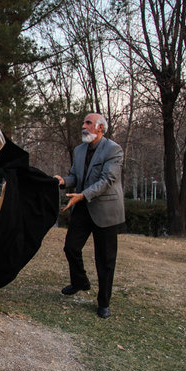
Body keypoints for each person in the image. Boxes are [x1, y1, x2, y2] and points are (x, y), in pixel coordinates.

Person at [54, 113, 125, 319]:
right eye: (84, 123)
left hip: (105, 211)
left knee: (105, 260)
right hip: (83, 207)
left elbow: (107, 180)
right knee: (71, 247)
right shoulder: (79, 150)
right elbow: (76, 177)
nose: (83, 126)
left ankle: (103, 302)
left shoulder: (114, 150)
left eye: (88, 123)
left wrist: (83, 195)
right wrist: (62, 181)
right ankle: (80, 282)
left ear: (100, 128)